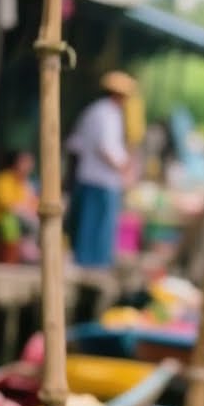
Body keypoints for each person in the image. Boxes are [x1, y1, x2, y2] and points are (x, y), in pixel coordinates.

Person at [65, 70, 135, 268]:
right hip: (98, 178)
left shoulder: (102, 112)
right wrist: (123, 168)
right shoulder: (104, 113)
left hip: (98, 177)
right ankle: (91, 264)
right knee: (94, 224)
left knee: (96, 223)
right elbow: (105, 147)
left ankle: (93, 262)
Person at [0, 150, 39, 263]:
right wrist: (23, 210)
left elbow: (32, 203)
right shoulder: (3, 179)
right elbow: (5, 204)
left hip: (19, 218)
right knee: (10, 222)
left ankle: (28, 253)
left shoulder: (25, 182)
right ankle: (9, 258)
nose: (28, 166)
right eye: (24, 162)